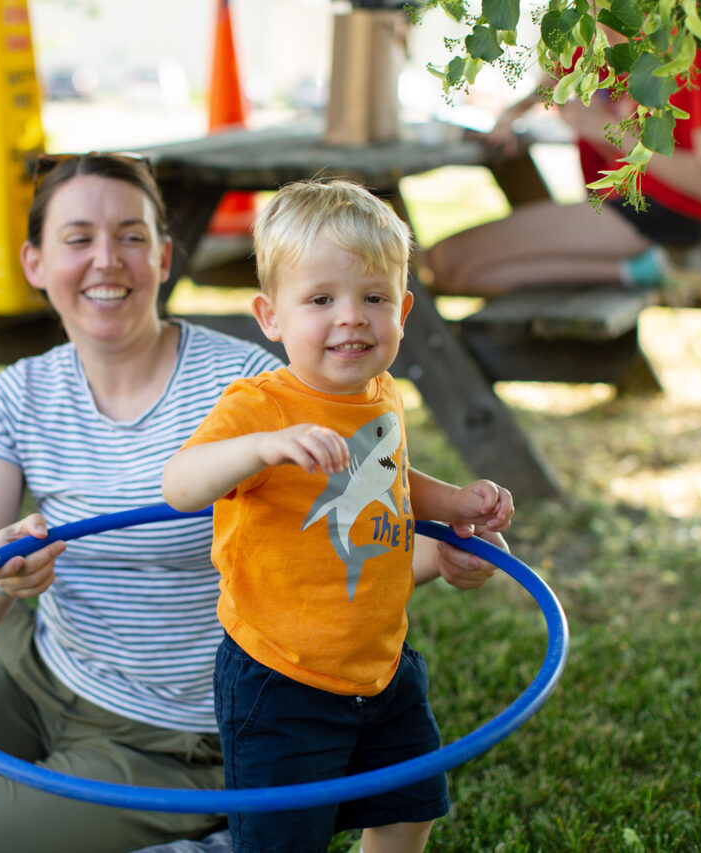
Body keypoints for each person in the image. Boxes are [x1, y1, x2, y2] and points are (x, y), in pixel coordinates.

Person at [0, 155, 504, 853]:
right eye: (77, 238)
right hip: (41, 675)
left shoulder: (254, 389)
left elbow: (353, 533)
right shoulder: (16, 398)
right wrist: (4, 569)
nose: (107, 260)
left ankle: (177, 801)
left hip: (180, 732)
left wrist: (447, 549)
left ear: (165, 257)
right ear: (35, 262)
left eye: (131, 236)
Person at [161, 180, 514, 853]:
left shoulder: (379, 394)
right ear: (271, 316)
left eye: (373, 297)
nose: (351, 317)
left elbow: (386, 477)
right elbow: (179, 485)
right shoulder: (259, 408)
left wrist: (453, 503)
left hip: (380, 662)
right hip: (279, 678)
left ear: (404, 310)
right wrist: (260, 448)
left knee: (409, 808)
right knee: (283, 840)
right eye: (321, 299)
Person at [427, 26, 701, 296]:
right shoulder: (619, 28)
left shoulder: (692, 40)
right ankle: (645, 270)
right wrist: (511, 116)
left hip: (665, 212)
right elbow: (555, 80)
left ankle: (656, 265)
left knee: (442, 261)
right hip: (630, 208)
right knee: (454, 273)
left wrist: (606, 128)